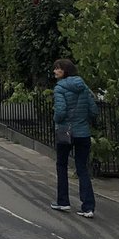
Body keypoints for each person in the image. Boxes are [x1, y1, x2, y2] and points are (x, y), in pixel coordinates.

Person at [51, 58, 98, 219]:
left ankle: (63, 201)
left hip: (66, 131)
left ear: (64, 71)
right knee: (82, 168)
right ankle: (88, 207)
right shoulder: (83, 87)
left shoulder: (59, 88)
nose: (54, 71)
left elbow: (61, 112)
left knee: (62, 165)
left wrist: (57, 120)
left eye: (57, 68)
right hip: (83, 132)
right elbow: (93, 110)